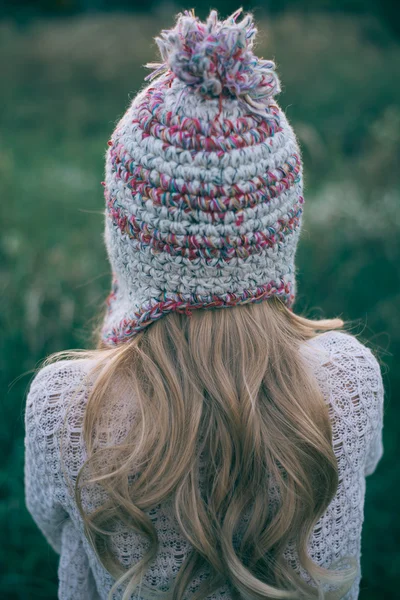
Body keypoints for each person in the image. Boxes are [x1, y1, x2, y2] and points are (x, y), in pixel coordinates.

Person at [24, 8, 385, 600]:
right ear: (281, 226)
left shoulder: (66, 408)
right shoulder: (349, 378)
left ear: (126, 230)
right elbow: (362, 470)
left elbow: (53, 525)